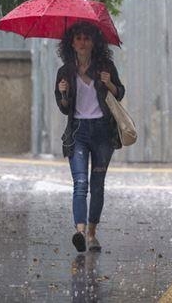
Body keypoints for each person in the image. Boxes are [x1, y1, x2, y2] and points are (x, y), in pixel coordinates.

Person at [55, 21, 125, 253]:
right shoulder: (65, 72)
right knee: (80, 183)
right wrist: (64, 93)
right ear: (71, 43)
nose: (83, 41)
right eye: (78, 38)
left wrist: (109, 84)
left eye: (87, 38)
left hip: (103, 132)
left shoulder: (104, 66)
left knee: (97, 185)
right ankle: (80, 232)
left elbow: (120, 93)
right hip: (78, 133)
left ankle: (93, 233)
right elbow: (64, 107)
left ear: (94, 42)